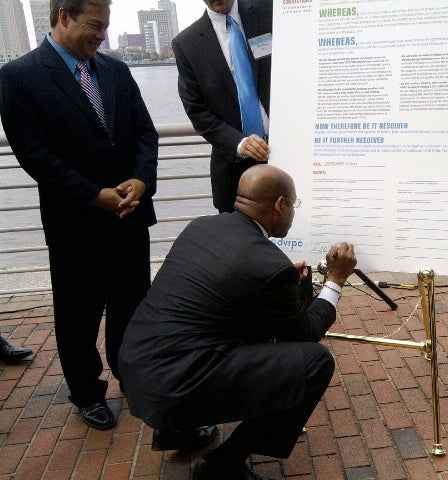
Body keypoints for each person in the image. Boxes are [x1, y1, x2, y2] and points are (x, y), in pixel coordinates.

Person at [119, 164, 357, 480]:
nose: (292, 212)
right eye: (294, 205)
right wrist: (336, 281)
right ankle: (222, 465)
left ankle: (176, 433)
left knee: (217, 331)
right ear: (280, 205)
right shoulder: (267, 264)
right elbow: (306, 334)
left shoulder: (201, 226)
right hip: (174, 387)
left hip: (136, 365)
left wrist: (285, 286)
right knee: (315, 363)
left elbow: (221, 297)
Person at [0, 0, 157, 431]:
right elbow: (36, 156)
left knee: (131, 304)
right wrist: (93, 196)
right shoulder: (19, 77)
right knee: (78, 313)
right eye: (94, 25)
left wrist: (142, 180)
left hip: (129, 216)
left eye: (105, 26)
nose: (101, 35)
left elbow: (145, 132)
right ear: (63, 17)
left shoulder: (116, 71)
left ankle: (130, 372)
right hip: (76, 224)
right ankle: (88, 392)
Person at [172, 0, 272, 214]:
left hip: (292, 153)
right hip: (233, 172)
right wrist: (239, 143)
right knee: (240, 244)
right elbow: (196, 110)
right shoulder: (186, 43)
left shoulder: (270, 11)